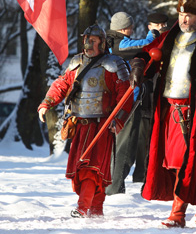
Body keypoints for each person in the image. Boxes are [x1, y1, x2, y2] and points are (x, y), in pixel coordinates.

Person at [130, 0, 196, 228]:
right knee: (175, 162)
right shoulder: (170, 36)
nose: (183, 20)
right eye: (180, 15)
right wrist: (138, 65)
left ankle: (178, 214)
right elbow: (148, 53)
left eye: (188, 15)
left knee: (190, 160)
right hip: (169, 110)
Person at [37, 24, 133, 218]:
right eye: (86, 39)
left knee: (91, 169)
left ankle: (82, 208)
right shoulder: (76, 63)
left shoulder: (114, 64)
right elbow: (62, 84)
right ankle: (96, 210)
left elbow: (125, 96)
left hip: (101, 126)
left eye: (93, 40)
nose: (88, 44)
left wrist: (117, 121)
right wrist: (46, 104)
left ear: (103, 43)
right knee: (87, 170)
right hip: (79, 125)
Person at [105, 12, 162, 195]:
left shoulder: (111, 42)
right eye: (130, 27)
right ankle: (114, 189)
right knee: (125, 147)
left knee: (124, 146)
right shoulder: (119, 43)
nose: (132, 30)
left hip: (125, 102)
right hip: (127, 102)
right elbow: (145, 44)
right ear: (123, 28)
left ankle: (115, 186)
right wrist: (153, 33)